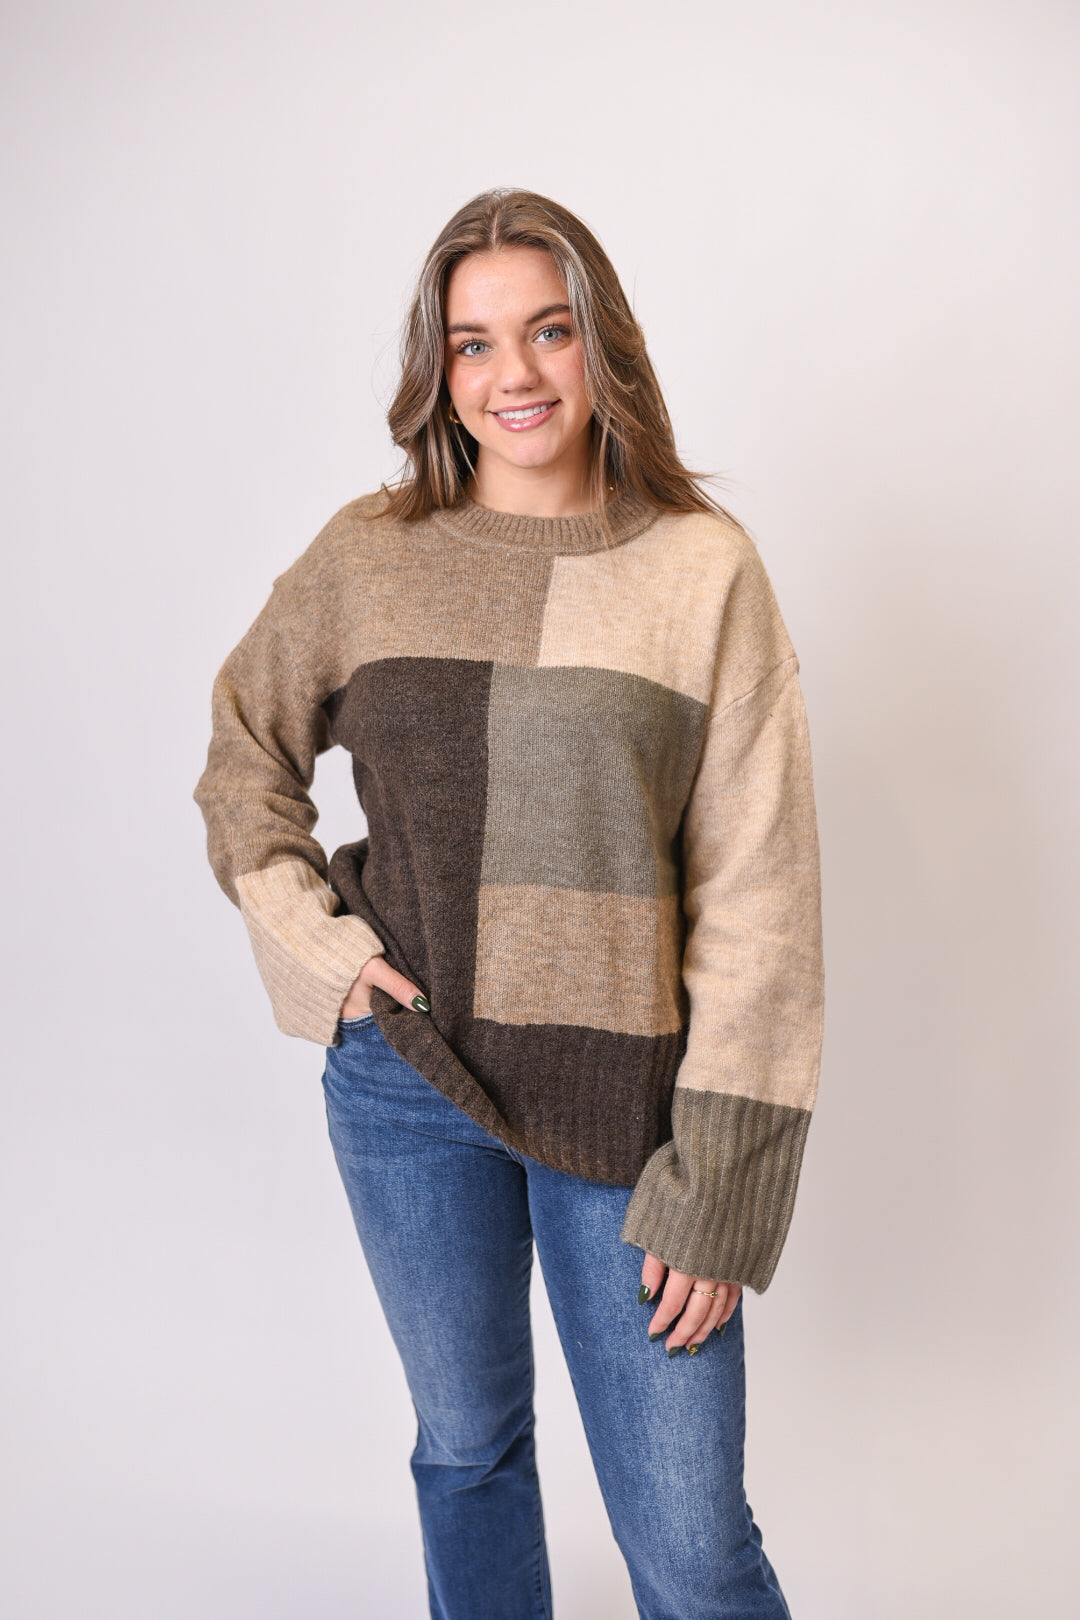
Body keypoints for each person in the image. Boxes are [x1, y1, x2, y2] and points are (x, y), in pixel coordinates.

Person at [194, 186, 824, 1619]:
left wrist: (723, 1181)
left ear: (604, 341)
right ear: (440, 370)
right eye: (473, 343)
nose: (514, 374)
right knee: (467, 1453)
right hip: (406, 1082)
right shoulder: (368, 553)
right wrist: (321, 955)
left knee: (692, 1544)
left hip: (628, 1113)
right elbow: (244, 759)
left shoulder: (701, 568)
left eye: (548, 330)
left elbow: (764, 898)